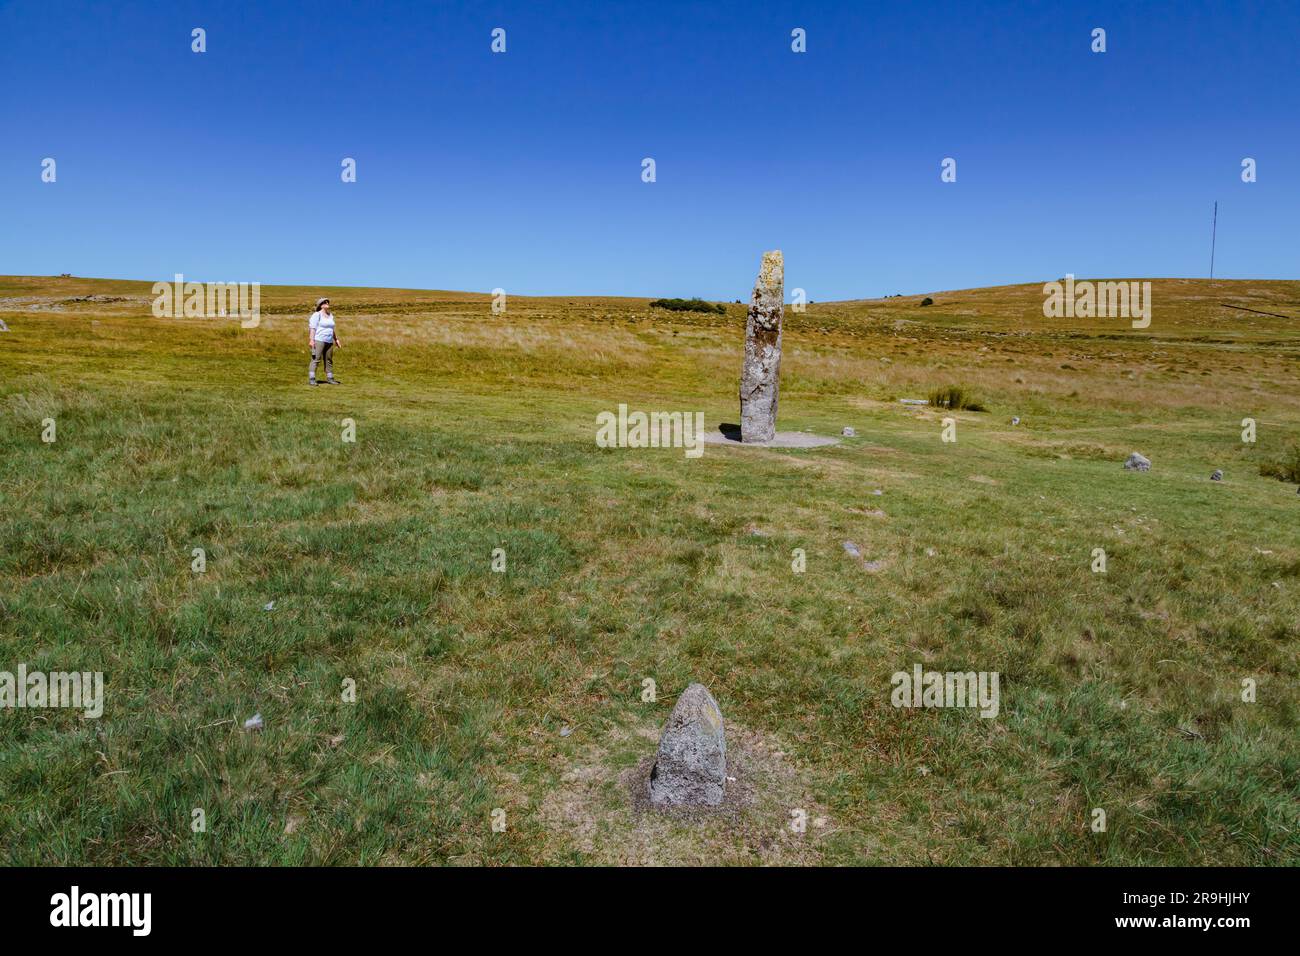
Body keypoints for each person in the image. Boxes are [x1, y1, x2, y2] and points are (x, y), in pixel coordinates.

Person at [308, 297, 341, 385]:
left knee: (329, 360)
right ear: (321, 305)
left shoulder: (330, 315)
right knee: (316, 359)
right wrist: (311, 340)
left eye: (327, 302)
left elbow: (332, 329)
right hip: (319, 340)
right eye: (325, 302)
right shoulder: (317, 315)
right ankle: (312, 378)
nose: (327, 303)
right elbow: (313, 328)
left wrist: (336, 339)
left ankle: (330, 378)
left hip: (329, 341)